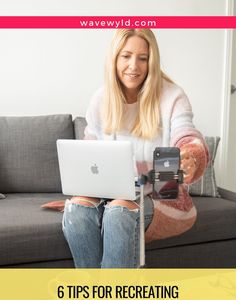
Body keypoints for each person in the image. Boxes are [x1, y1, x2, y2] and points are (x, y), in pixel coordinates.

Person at [62, 29, 209, 268]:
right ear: (115, 58)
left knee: (119, 211)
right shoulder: (101, 99)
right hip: (109, 192)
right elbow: (89, 156)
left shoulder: (172, 97)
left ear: (152, 61)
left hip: (160, 191)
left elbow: (186, 135)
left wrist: (191, 153)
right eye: (126, 56)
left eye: (143, 58)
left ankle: (112, 298)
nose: (134, 65)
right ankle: (93, 293)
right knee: (78, 210)